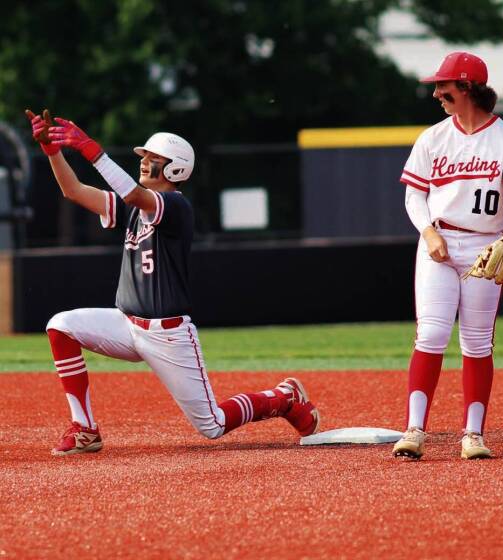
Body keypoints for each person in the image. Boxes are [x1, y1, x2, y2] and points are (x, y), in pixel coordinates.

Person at [25, 109, 320, 456]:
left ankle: (283, 397)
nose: (144, 161)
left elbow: (136, 195)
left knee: (211, 425)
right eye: (145, 156)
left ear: (175, 169)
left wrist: (92, 150)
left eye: (153, 158)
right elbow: (74, 190)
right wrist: (53, 151)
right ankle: (85, 429)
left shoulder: (176, 207)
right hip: (126, 324)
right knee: (61, 326)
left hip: (168, 334)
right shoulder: (133, 209)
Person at [392, 52, 503, 460]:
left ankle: (473, 435)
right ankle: (414, 429)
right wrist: (428, 231)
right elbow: (414, 194)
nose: (437, 93)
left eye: (445, 86)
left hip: (486, 246)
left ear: (468, 87)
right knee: (432, 334)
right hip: (438, 243)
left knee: (476, 341)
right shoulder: (433, 137)